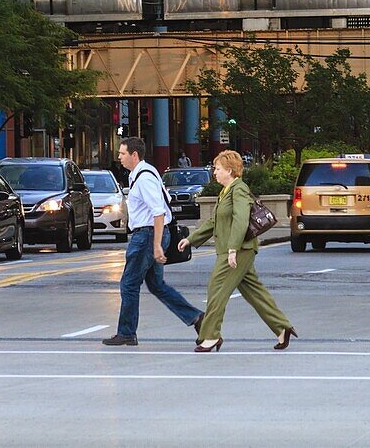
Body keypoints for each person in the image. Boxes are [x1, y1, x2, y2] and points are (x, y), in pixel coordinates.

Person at [178, 149, 296, 353]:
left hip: (237, 250)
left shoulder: (239, 190)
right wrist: (190, 239)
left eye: (217, 168)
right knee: (254, 292)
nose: (214, 172)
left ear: (230, 171)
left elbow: (241, 220)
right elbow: (215, 221)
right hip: (233, 249)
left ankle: (211, 336)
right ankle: (281, 327)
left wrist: (233, 249)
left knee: (217, 290)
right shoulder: (226, 192)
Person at [102, 137, 203, 347]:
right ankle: (196, 318)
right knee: (156, 285)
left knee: (129, 284)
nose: (119, 157)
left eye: (122, 153)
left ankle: (127, 332)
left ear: (134, 155)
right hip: (152, 234)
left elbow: (158, 212)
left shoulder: (144, 178)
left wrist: (157, 245)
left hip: (147, 236)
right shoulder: (145, 173)